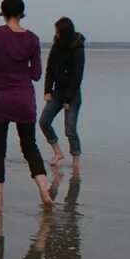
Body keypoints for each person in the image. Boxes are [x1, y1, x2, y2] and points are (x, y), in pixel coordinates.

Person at [0, 0, 54, 211]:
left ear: (2, 12)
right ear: (22, 13)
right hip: (24, 97)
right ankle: (43, 191)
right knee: (30, 146)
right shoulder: (33, 39)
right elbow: (37, 74)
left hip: (0, 97)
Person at [41, 17, 86, 170]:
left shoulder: (78, 48)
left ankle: (76, 160)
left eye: (58, 31)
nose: (56, 34)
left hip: (72, 94)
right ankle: (58, 152)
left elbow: (77, 76)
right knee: (44, 121)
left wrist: (68, 99)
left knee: (70, 128)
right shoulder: (57, 45)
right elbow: (50, 69)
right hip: (57, 90)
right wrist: (47, 90)